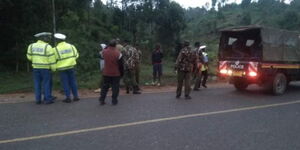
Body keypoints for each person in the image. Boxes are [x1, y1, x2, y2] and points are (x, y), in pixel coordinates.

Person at [26, 32, 56, 104]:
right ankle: (47, 99)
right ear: (44, 38)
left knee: (37, 84)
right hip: (45, 68)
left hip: (35, 68)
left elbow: (29, 57)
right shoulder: (47, 47)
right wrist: (53, 68)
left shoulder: (31, 46)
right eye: (47, 37)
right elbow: (51, 60)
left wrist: (35, 60)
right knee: (46, 83)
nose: (48, 39)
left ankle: (38, 100)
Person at [53, 33, 80, 103]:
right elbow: (76, 55)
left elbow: (54, 59)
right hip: (71, 66)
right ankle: (76, 96)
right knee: (73, 82)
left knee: (65, 83)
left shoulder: (55, 49)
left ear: (57, 40)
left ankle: (68, 98)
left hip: (62, 68)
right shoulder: (71, 46)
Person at [99, 39, 123, 105]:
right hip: (116, 73)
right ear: (115, 45)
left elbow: (101, 56)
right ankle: (114, 100)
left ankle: (102, 99)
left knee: (105, 87)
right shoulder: (118, 54)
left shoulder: (104, 52)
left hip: (106, 73)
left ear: (109, 45)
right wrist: (121, 73)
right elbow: (121, 65)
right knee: (115, 87)